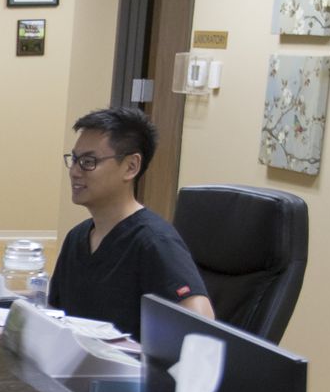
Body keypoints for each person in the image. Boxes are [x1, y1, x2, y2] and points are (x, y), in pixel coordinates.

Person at [49, 107, 213, 340]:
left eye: (88, 161)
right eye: (74, 160)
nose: (75, 171)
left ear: (131, 167)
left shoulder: (154, 241)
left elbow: (203, 327)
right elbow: (57, 314)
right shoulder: (77, 238)